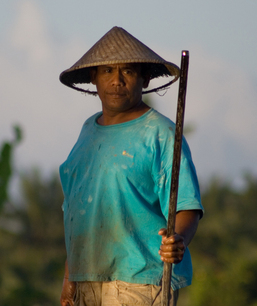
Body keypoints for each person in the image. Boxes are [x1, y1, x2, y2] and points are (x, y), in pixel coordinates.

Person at [58, 27, 204, 306]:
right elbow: (78, 210)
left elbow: (187, 205)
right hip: (87, 277)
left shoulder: (160, 134)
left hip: (139, 280)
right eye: (107, 72)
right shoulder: (88, 130)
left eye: (127, 71)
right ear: (94, 78)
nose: (117, 81)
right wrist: (69, 276)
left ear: (144, 78)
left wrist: (178, 239)